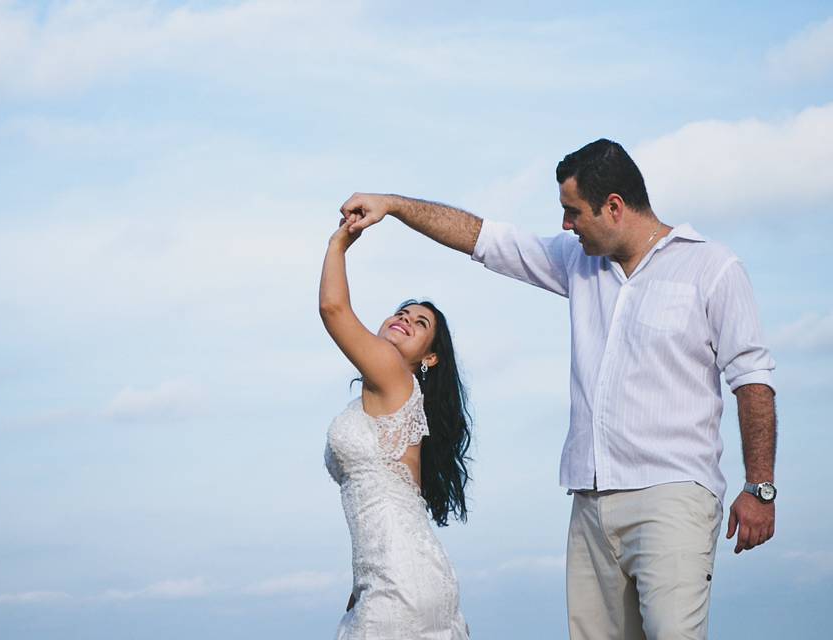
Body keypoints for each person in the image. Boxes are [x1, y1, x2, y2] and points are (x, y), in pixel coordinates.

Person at [338, 139, 777, 640]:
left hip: (673, 494)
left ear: (613, 206)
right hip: (589, 503)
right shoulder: (578, 261)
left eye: (573, 212)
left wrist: (759, 486)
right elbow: (482, 238)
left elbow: (752, 379)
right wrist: (393, 207)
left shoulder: (712, 267)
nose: (566, 225)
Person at [320, 213, 472, 639]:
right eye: (402, 312)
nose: (404, 319)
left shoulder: (396, 376)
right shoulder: (393, 404)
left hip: (401, 581)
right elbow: (391, 508)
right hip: (398, 574)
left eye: (420, 324)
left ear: (429, 358)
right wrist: (360, 584)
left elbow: (333, 308)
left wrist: (338, 244)